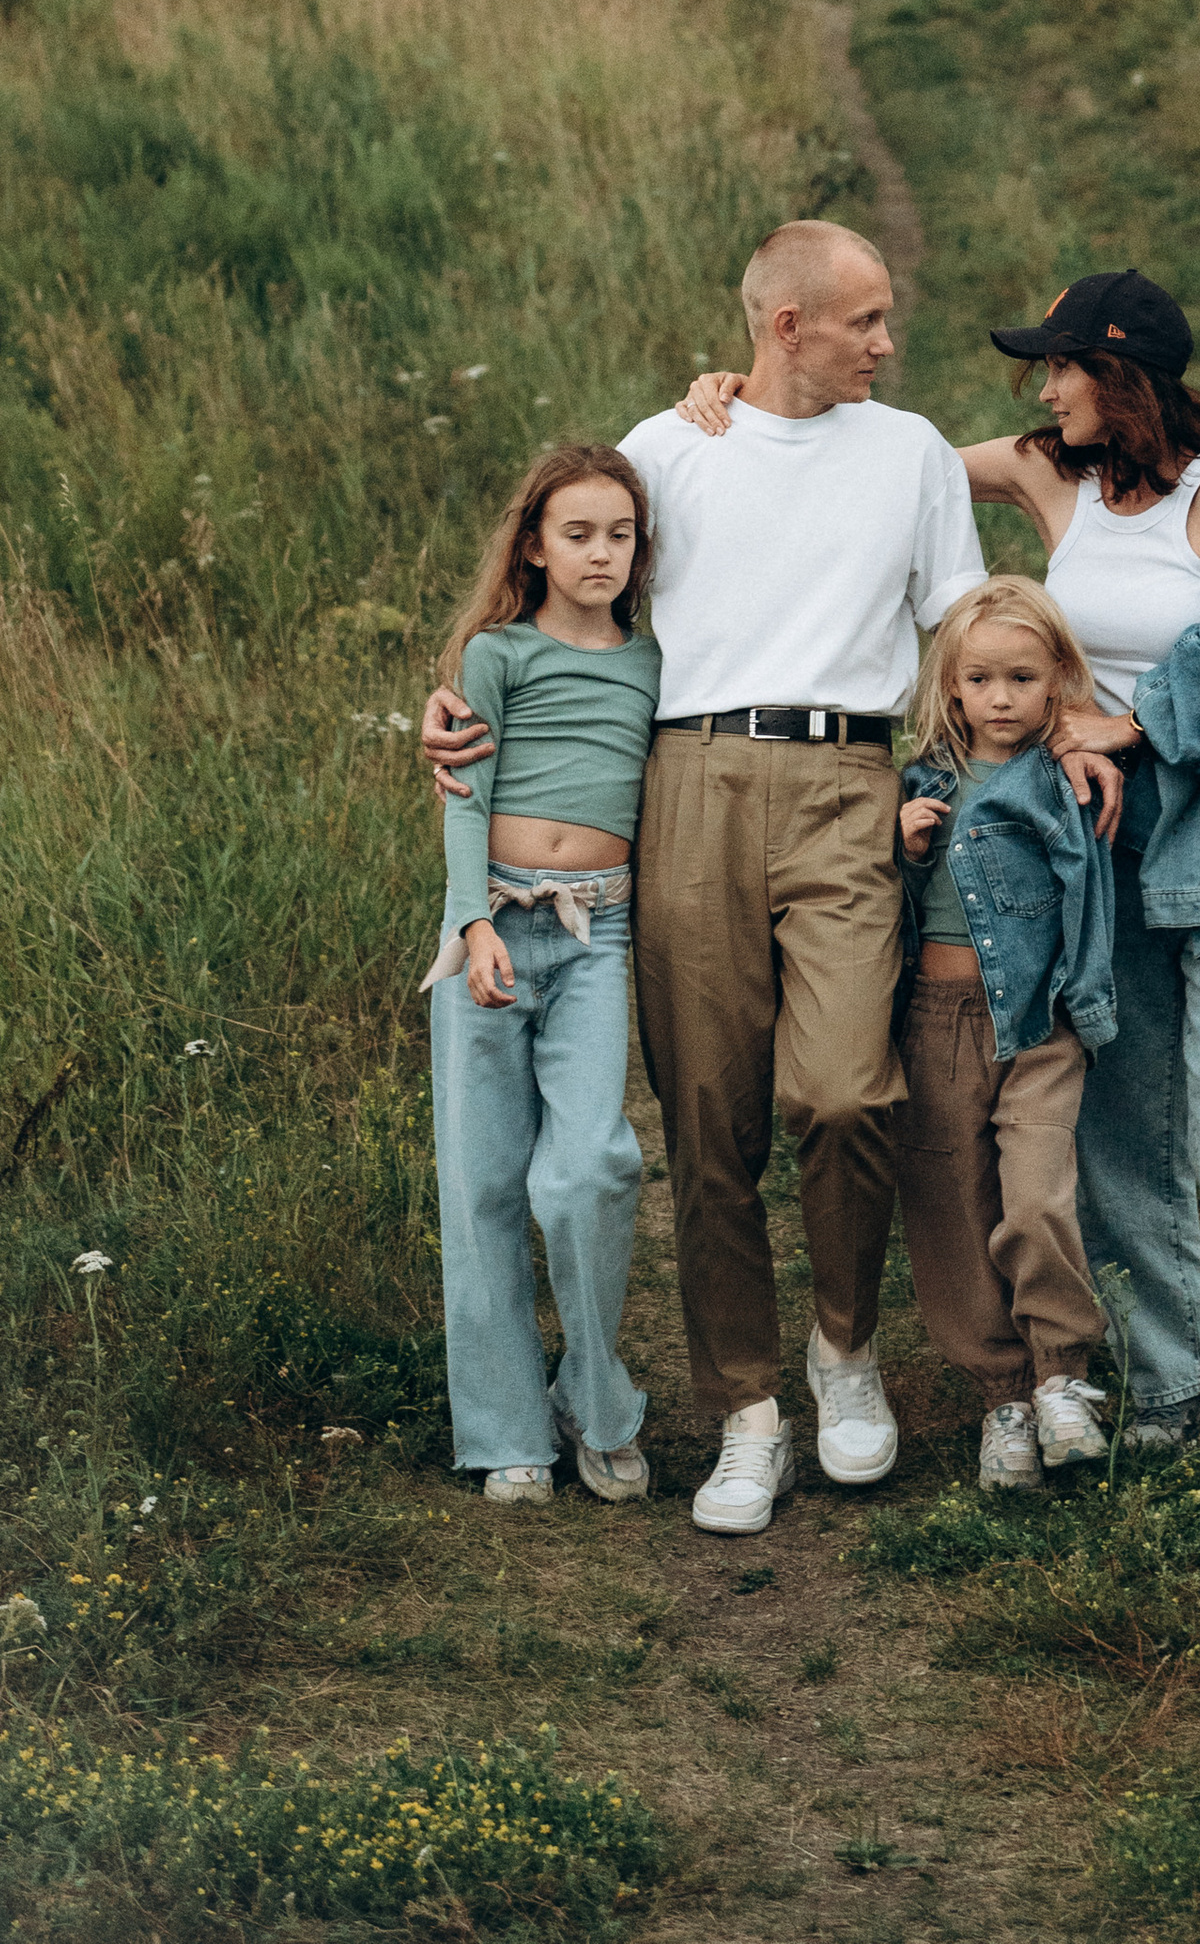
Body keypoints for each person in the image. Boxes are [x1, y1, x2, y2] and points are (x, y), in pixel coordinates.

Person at [680, 264, 1200, 1473]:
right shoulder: (1043, 469)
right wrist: (746, 389)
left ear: (1119, 377)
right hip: (1097, 838)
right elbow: (886, 454)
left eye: (1062, 367)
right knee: (1122, 1125)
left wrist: (1126, 724)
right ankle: (1169, 1383)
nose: (1044, 388)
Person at [423, 221, 991, 1538]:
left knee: (845, 1089)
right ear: (787, 326)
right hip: (686, 783)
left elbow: (962, 626)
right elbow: (574, 610)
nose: (888, 339)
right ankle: (747, 1408)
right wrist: (460, 711)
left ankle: (842, 1347)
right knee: (708, 1119)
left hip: (850, 780)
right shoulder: (674, 447)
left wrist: (1010, 745)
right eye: (865, 318)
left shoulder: (910, 451)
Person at [420, 443, 660, 1509]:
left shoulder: (654, 662)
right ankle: (505, 1430)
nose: (601, 553)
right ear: (533, 546)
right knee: (481, 1180)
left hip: (596, 933)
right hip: (493, 928)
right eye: (578, 533)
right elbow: (462, 796)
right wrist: (471, 923)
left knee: (589, 1165)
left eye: (620, 534)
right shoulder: (495, 653)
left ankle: (595, 1399)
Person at [894, 577, 1118, 1493]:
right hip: (937, 1017)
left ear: (1057, 677)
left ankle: (1062, 1374)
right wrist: (905, 849)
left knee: (1034, 1198)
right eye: (980, 679)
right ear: (951, 683)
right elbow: (889, 911)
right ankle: (1004, 1396)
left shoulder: (1063, 777)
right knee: (954, 1205)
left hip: (1039, 1020)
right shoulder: (923, 781)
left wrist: (1086, 1006)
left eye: (1021, 678)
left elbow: (1091, 899)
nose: (999, 698)